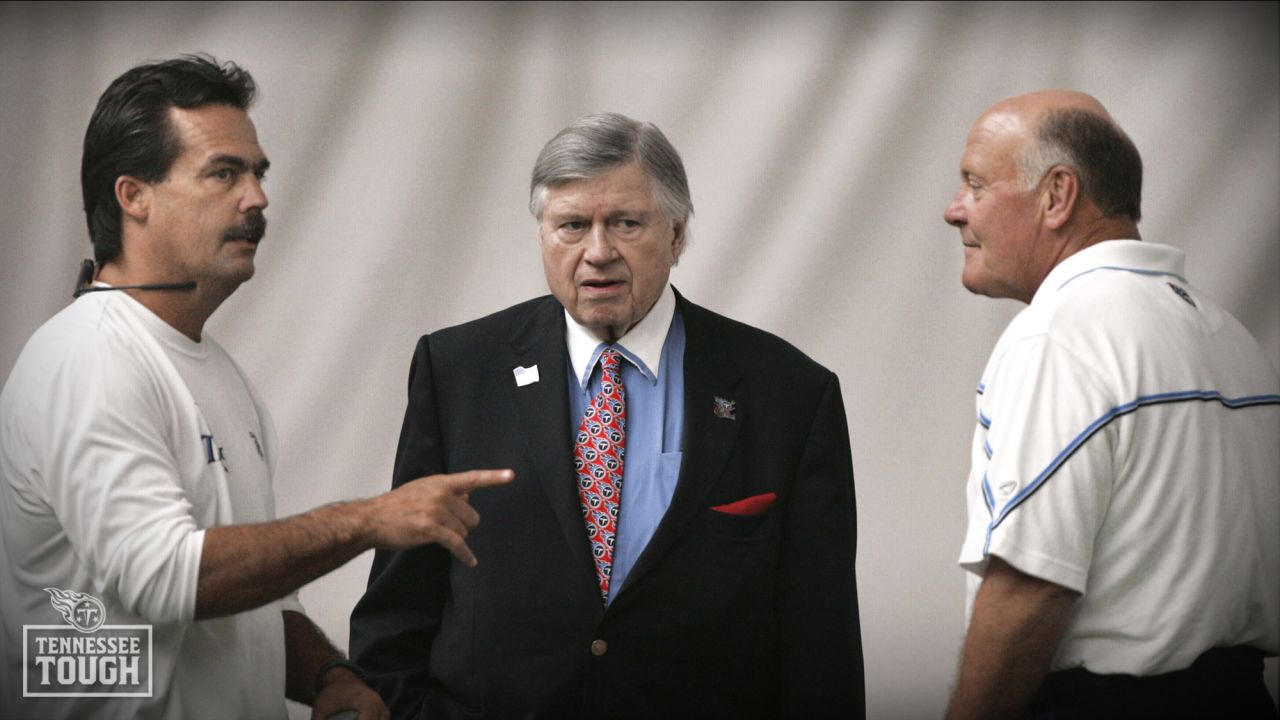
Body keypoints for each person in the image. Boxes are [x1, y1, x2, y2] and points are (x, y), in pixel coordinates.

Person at [0, 55, 512, 720]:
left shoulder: (219, 373)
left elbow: (259, 599)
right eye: (224, 173)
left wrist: (328, 676)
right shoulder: (89, 357)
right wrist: (367, 520)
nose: (258, 198)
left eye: (258, 173)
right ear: (134, 196)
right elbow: (169, 579)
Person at [349, 112, 864, 718]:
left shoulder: (790, 393)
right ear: (542, 236)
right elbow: (397, 608)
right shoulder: (457, 369)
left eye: (625, 223)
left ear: (676, 234)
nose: (598, 253)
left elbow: (820, 646)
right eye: (572, 225)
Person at [942, 89, 1280, 719]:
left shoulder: (1061, 337)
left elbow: (1029, 589)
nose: (953, 210)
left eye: (975, 184)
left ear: (1057, 196)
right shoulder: (1232, 338)